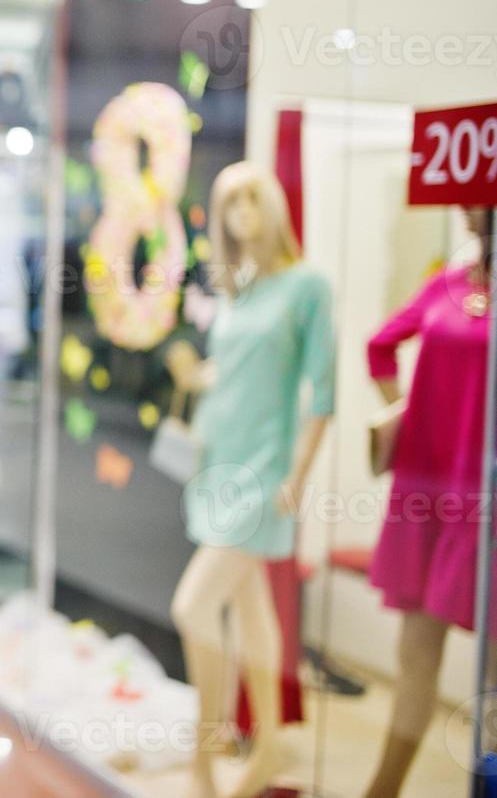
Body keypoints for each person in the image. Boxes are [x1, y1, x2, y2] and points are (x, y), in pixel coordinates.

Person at [165, 162, 335, 798]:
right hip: (218, 462)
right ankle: (266, 747)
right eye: (229, 204)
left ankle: (205, 761)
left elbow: (323, 391)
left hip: (263, 474)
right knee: (249, 607)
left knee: (194, 605)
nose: (241, 215)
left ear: (274, 207)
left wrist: (298, 475)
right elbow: (237, 374)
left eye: (250, 201)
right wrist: (197, 374)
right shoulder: (241, 289)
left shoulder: (307, 287)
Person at [362, 205, 493, 798]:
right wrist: (405, 412)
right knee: (416, 652)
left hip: (486, 496)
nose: (465, 208)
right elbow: (379, 345)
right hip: (430, 490)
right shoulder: (449, 280)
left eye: (478, 199)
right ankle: (383, 790)